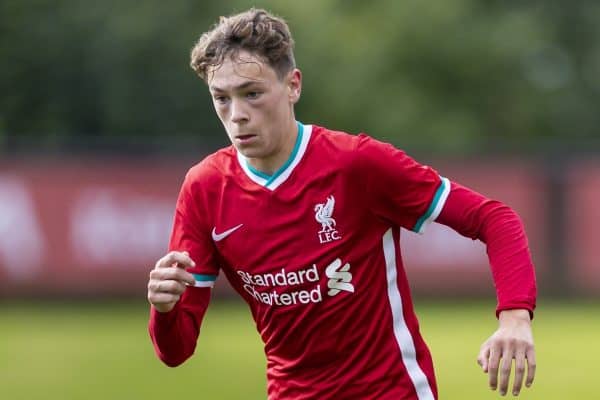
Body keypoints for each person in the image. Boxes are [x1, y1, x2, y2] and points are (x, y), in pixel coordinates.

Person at [147, 8, 536, 400]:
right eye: (222, 98)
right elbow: (176, 351)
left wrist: (515, 317)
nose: (237, 115)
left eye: (251, 93)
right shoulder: (205, 188)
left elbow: (494, 219)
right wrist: (164, 311)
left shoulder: (356, 163)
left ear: (293, 85)